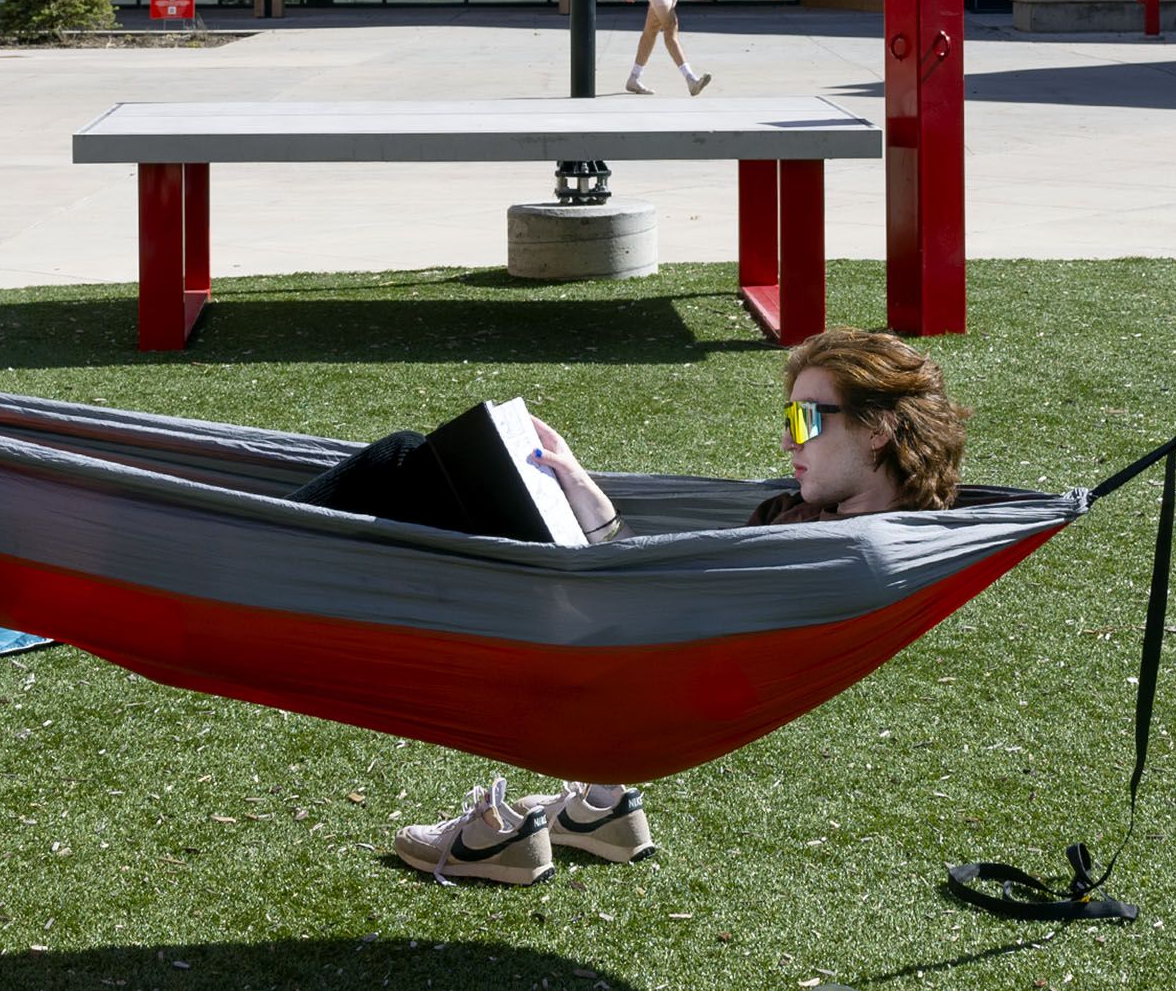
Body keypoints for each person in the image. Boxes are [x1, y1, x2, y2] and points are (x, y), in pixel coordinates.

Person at [380, 326, 967, 883]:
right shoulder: (810, 517)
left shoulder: (845, 553)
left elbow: (667, 619)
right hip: (636, 644)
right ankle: (602, 808)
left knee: (401, 462)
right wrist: (580, 487)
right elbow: (672, 598)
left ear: (879, 429)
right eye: (789, 416)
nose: (789, 438)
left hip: (612, 672)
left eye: (808, 417)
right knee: (427, 467)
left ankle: (517, 832)